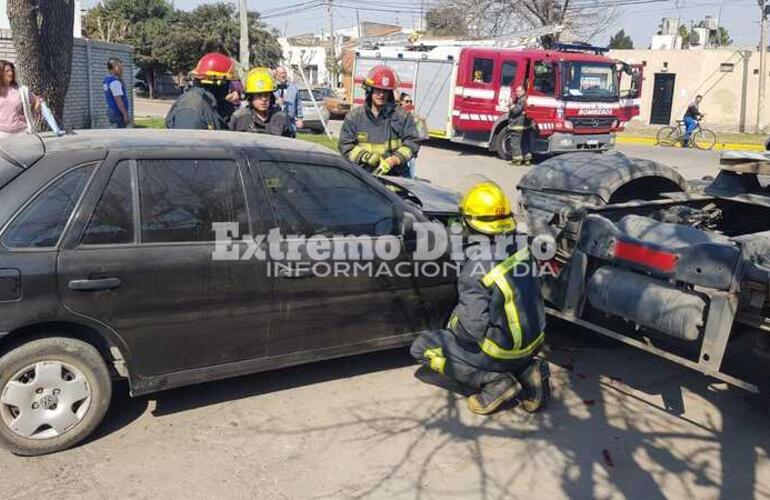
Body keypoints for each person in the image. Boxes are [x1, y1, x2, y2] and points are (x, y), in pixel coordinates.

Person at [411, 181, 550, 415]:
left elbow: (471, 330)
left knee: (422, 347)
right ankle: (529, 371)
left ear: (469, 222)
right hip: (534, 342)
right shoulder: (523, 246)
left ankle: (494, 383)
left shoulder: (476, 267)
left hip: (500, 352)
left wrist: (451, 326)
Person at [338, 65, 419, 177]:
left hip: (396, 180)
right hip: (364, 178)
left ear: (390, 93)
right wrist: (366, 157)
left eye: (385, 91)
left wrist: (395, 159)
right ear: (370, 90)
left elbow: (412, 143)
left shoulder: (402, 117)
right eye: (378, 90)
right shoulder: (354, 117)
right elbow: (345, 146)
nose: (381, 94)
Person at [165, 53, 241, 130]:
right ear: (217, 82)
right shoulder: (191, 109)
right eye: (228, 82)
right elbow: (187, 140)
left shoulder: (210, 102)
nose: (230, 88)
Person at [229, 68, 293, 137]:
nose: (264, 99)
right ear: (251, 97)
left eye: (266, 95)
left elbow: (290, 143)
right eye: (259, 95)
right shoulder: (240, 117)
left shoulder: (281, 118)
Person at [0, 60, 41, 138]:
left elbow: (36, 100)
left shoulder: (22, 90)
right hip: (1, 134)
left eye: (11, 71)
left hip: (21, 133)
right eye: (7, 71)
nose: (10, 73)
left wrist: (33, 110)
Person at [273, 67, 303, 135]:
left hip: (291, 124)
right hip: (276, 124)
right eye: (281, 73)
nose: (283, 75)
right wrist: (276, 102)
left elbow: (298, 104)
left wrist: (300, 118)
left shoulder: (294, 88)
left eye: (284, 73)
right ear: (276, 75)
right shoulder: (272, 88)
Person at [507, 85, 531, 166]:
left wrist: (511, 105)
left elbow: (516, 111)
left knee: (515, 143)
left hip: (517, 125)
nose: (516, 93)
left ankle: (517, 160)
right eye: (516, 91)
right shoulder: (525, 99)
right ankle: (527, 159)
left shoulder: (522, 100)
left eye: (518, 91)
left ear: (523, 91)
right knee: (524, 143)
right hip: (524, 126)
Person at [103, 58, 130, 128]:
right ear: (114, 67)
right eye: (120, 67)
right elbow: (118, 99)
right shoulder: (115, 82)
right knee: (121, 133)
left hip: (111, 110)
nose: (122, 69)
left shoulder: (106, 80)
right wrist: (125, 114)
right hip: (118, 112)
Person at [398, 92, 418, 178]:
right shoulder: (396, 115)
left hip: (410, 151)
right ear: (400, 102)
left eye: (410, 101)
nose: (409, 103)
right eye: (407, 101)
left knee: (411, 171)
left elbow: (420, 134)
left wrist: (420, 123)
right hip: (400, 150)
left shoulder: (412, 116)